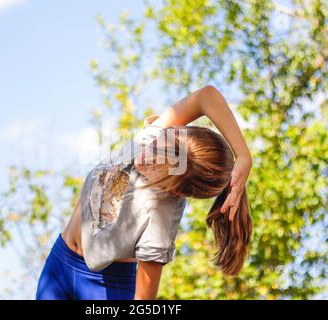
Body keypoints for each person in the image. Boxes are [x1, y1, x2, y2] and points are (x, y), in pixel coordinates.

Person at [35, 85, 253, 300]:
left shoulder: (159, 221)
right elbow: (206, 96)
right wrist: (243, 155)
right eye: (160, 142)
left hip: (106, 290)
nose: (147, 155)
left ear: (174, 189)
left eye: (158, 165)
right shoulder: (155, 139)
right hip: (59, 265)